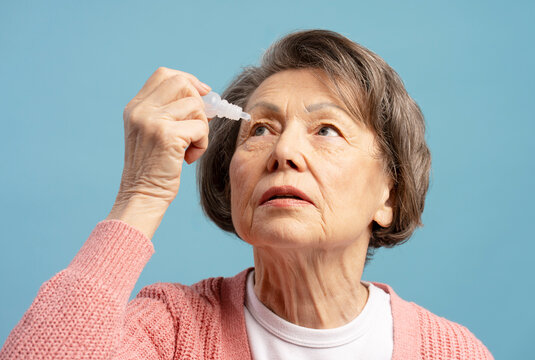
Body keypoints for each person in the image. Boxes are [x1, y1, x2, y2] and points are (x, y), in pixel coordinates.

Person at [0, 29, 493, 359]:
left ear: (389, 193)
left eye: (325, 130)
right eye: (259, 129)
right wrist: (141, 194)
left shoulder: (450, 350)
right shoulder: (171, 332)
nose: (284, 152)